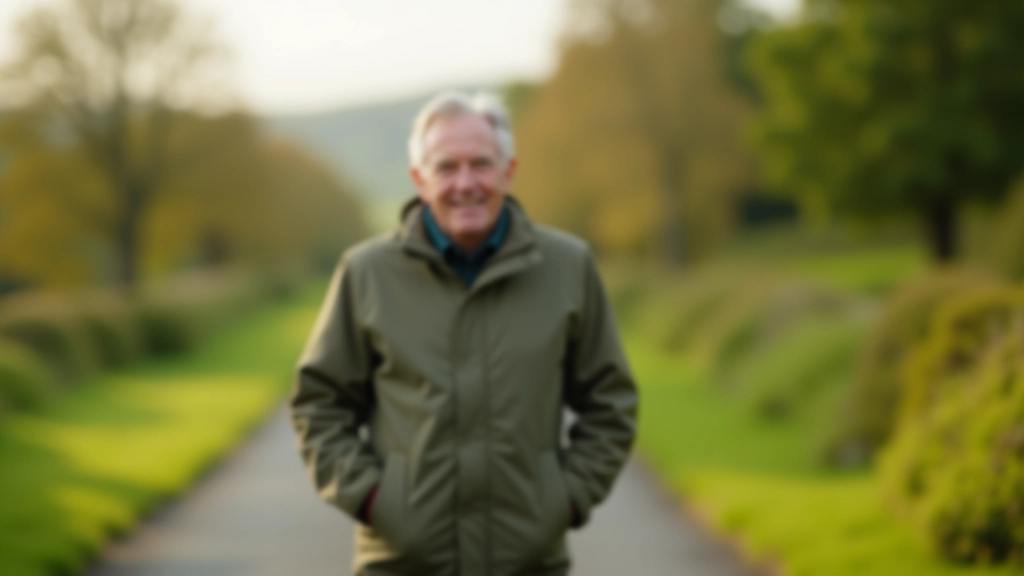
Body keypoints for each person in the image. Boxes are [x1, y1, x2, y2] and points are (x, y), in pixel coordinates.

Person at [290, 90, 638, 576]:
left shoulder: (568, 266)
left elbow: (611, 401)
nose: (466, 183)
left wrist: (568, 499)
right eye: (446, 167)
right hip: (401, 564)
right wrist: (373, 500)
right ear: (419, 180)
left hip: (529, 563)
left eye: (481, 164)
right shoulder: (366, 272)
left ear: (507, 172)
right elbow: (318, 403)